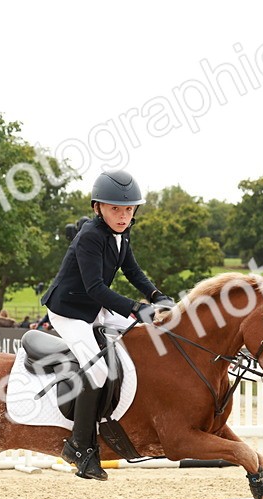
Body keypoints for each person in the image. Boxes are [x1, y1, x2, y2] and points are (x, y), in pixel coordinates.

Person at [41, 168, 173, 481]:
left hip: (94, 308)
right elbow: (95, 288)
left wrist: (158, 296)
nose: (123, 215)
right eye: (115, 208)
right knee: (98, 369)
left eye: (128, 209)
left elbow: (133, 271)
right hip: (69, 311)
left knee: (142, 335)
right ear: (97, 207)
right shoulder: (89, 237)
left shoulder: (122, 234)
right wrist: (136, 308)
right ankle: (79, 445)